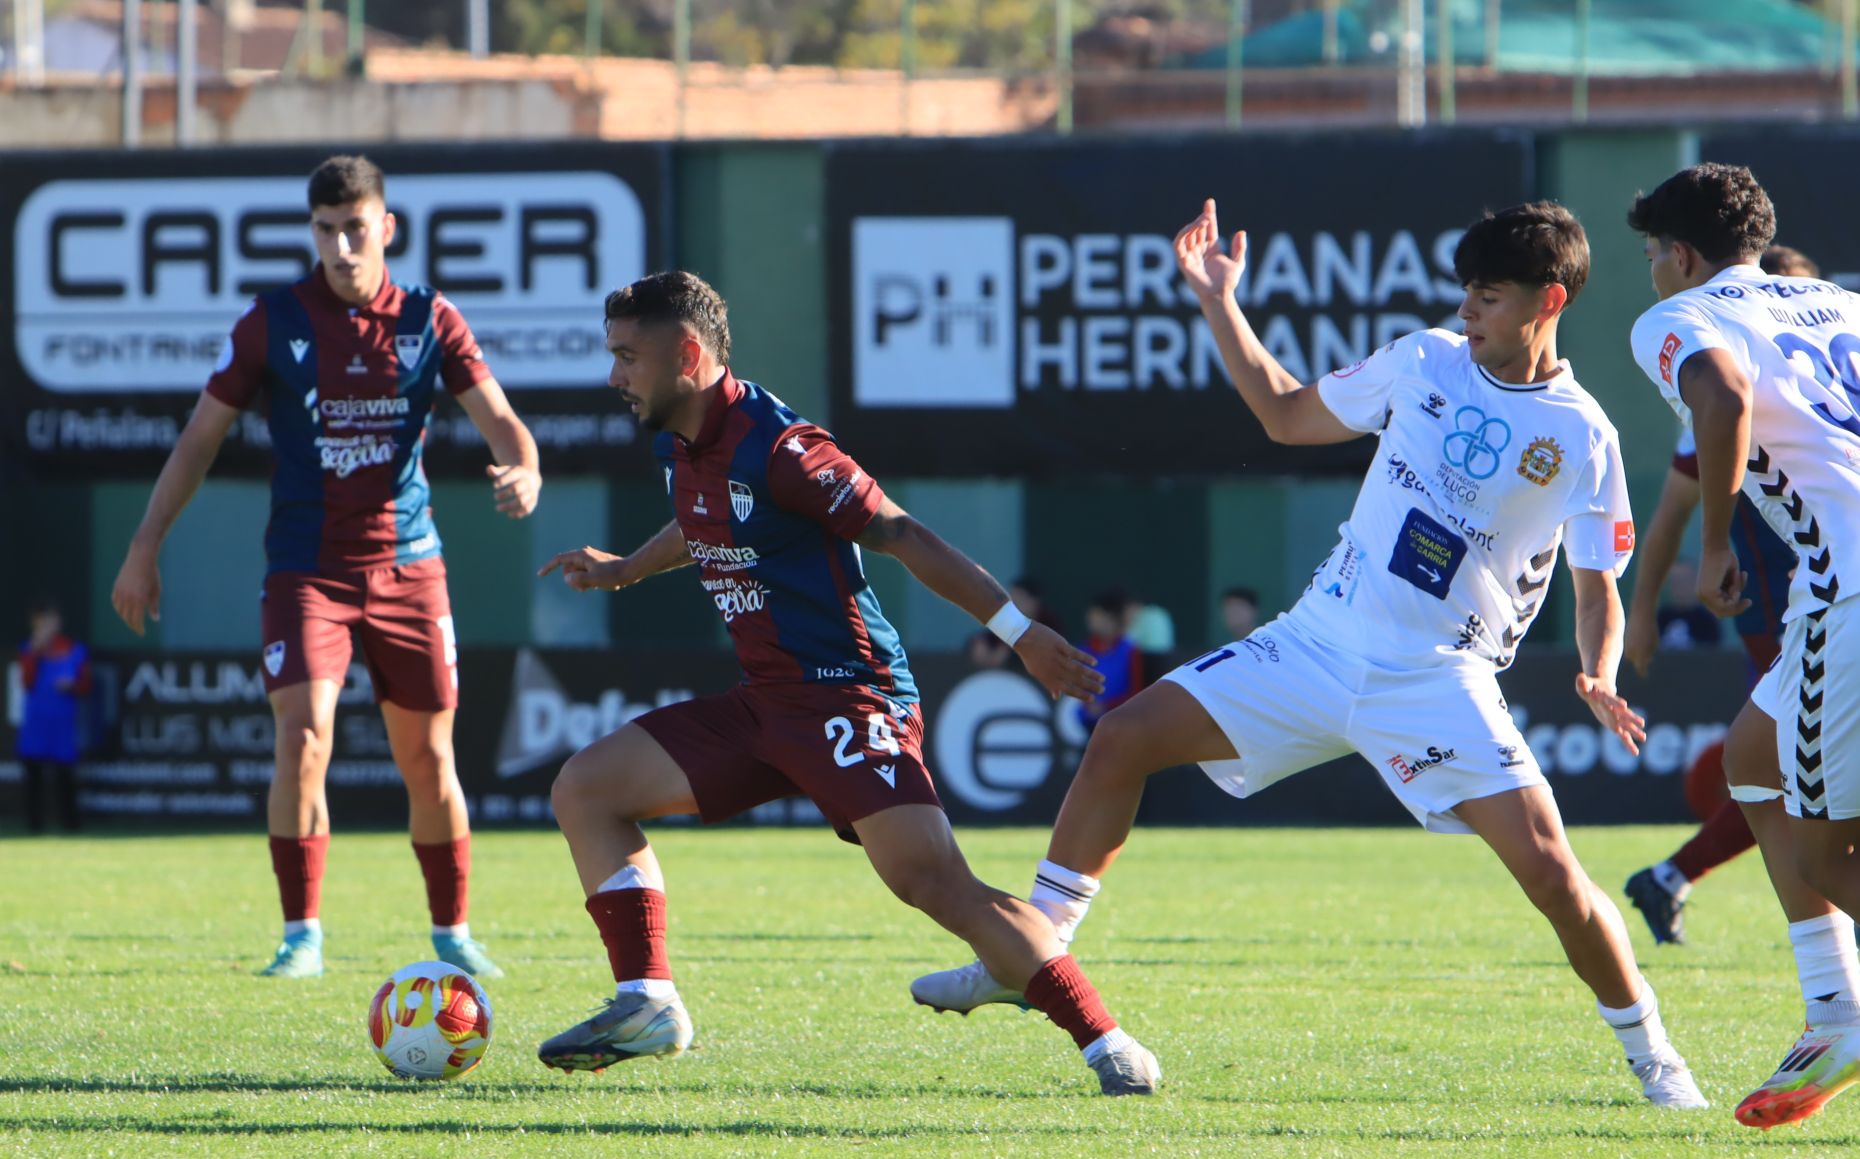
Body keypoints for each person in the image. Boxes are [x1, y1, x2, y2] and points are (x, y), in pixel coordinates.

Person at [914, 199, 1708, 1109]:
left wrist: (1599, 670)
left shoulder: (1583, 435)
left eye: (1488, 298)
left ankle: (1656, 1059)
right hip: (1314, 643)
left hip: (1438, 677)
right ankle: (1034, 951)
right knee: (1122, 737)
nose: (1467, 312)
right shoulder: (1422, 360)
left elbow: (1597, 584)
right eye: (1466, 294)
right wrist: (1219, 300)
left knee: (1556, 878)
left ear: (1549, 301)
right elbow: (1286, 417)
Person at [532, 271, 1161, 1095]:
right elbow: (704, 518)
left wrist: (1021, 634)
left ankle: (1107, 1042)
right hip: (764, 704)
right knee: (586, 788)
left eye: (627, 357)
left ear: (687, 355)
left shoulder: (783, 445)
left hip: (847, 696)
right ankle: (647, 1001)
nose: (614, 375)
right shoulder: (680, 439)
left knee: (933, 883)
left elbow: (900, 530)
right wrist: (626, 572)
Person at [109, 155, 541, 980]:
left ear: (386, 227)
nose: (341, 247)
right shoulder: (273, 322)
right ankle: (301, 933)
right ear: (310, 231)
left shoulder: (429, 320)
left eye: (355, 228)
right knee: (303, 738)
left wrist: (523, 470)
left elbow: (507, 427)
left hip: (410, 567)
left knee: (429, 759)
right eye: (324, 230)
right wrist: (142, 546)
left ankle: (451, 932)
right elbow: (200, 440)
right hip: (307, 571)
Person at [1626, 162, 1860, 1128]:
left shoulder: (1680, 316)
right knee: (1755, 759)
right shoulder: (1847, 306)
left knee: (1844, 857)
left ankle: (1844, 1022)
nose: (1651, 275)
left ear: (1678, 253)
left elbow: (1721, 396)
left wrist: (1714, 544)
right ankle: (1834, 1012)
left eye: (1651, 257)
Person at [1620, 249, 1809, 946]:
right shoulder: (1724, 396)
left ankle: (1671, 878)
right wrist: (1641, 614)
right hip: (1777, 610)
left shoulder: (1852, 389)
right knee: (1786, 769)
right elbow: (1669, 516)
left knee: (1798, 769)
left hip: (1859, 596)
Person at [17, 597, 90, 831]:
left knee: (65, 777)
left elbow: (86, 686)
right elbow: (26, 682)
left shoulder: (75, 650)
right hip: (35, 724)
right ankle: (34, 826)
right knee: (33, 777)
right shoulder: (29, 650)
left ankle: (71, 825)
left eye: (50, 620)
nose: (46, 625)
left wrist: (72, 685)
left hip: (63, 724)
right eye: (41, 621)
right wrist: (35, 652)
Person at [1079, 589, 1146, 727]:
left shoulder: (1131, 651)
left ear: (1112, 618)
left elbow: (1137, 693)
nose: (1090, 618)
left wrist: (1107, 707)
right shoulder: (1082, 651)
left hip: (1122, 725)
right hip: (1087, 727)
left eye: (1097, 614)